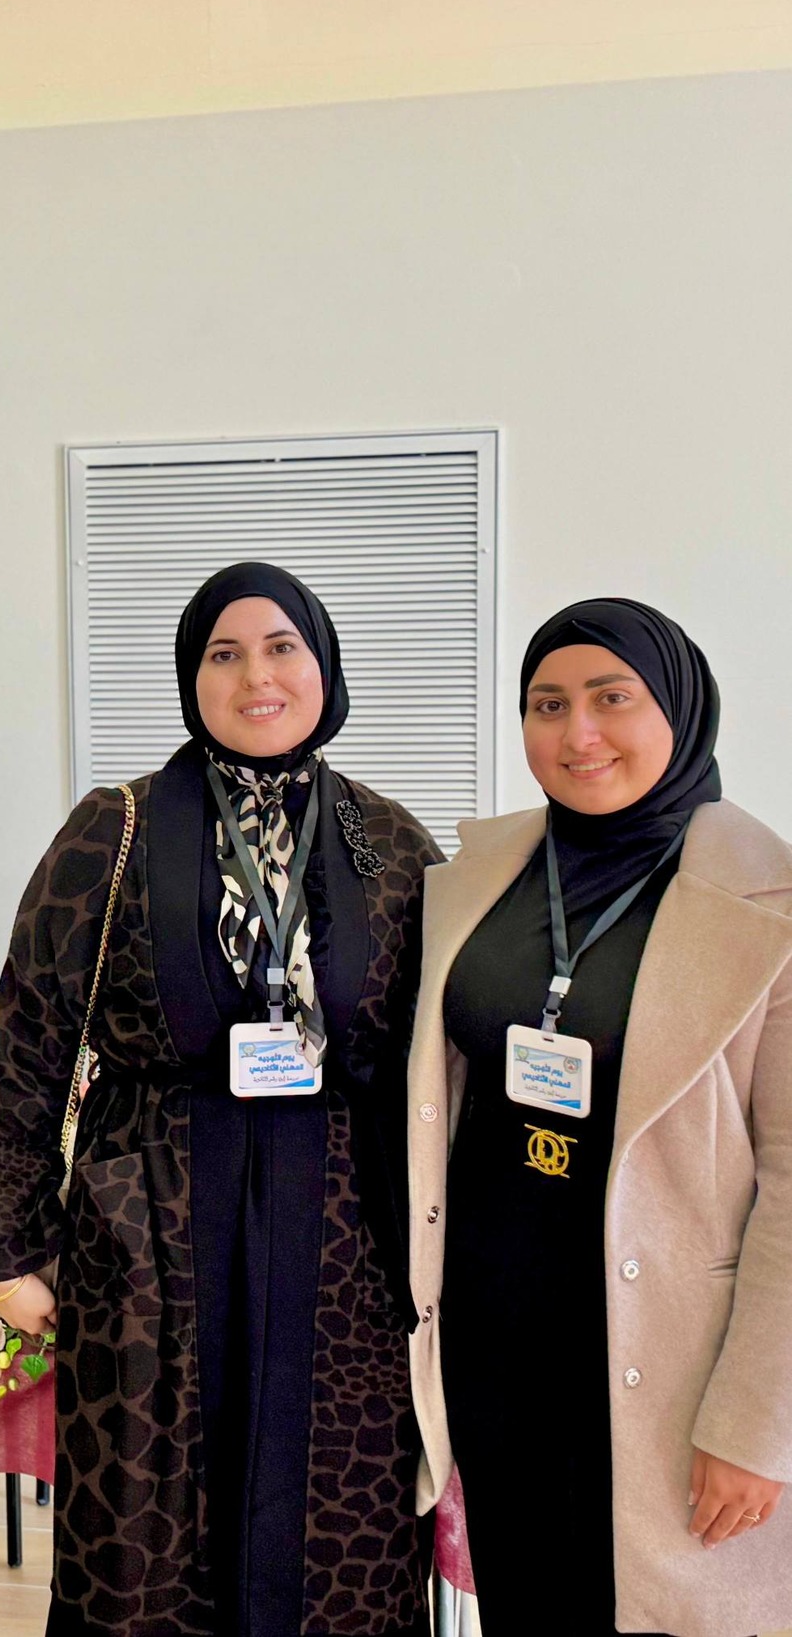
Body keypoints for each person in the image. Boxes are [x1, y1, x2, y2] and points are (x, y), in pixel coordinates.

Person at [0, 562, 440, 1636]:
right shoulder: (113, 830)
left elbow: (429, 1058)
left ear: (323, 667)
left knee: (341, 1528)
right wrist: (4, 1247)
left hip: (345, 1247)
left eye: (281, 648)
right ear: (191, 676)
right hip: (150, 1238)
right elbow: (29, 1040)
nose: (255, 676)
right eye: (224, 653)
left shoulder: (390, 840)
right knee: (145, 1524)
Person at [408, 599, 792, 1636]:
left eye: (611, 698)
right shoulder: (475, 881)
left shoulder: (771, 903)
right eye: (546, 704)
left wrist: (757, 1424)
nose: (577, 733)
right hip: (495, 1350)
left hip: (673, 1363)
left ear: (679, 709)